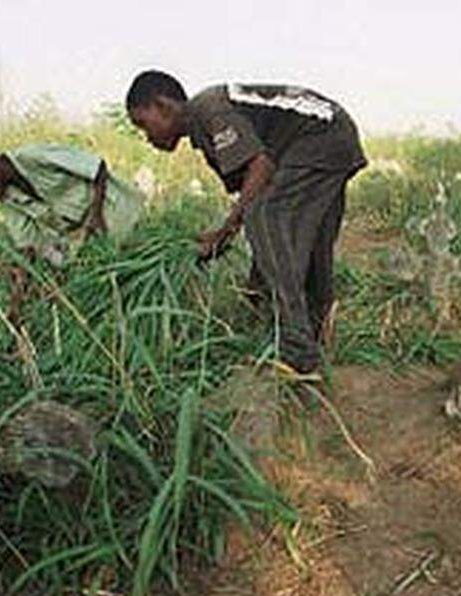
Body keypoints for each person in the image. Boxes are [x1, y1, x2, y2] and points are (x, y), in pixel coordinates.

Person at [125, 70, 367, 375]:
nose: (147, 137)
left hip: (320, 137)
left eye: (144, 124)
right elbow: (256, 185)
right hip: (333, 135)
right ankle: (316, 324)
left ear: (163, 106)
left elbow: (260, 169)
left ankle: (298, 351)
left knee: (264, 217)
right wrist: (233, 247)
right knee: (308, 234)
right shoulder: (207, 120)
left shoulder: (208, 110)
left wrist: (225, 229)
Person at [0, 135, 143, 257]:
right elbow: (27, 247)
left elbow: (97, 168)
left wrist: (96, 215)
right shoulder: (9, 200)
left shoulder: (34, 156)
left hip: (122, 214)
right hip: (100, 243)